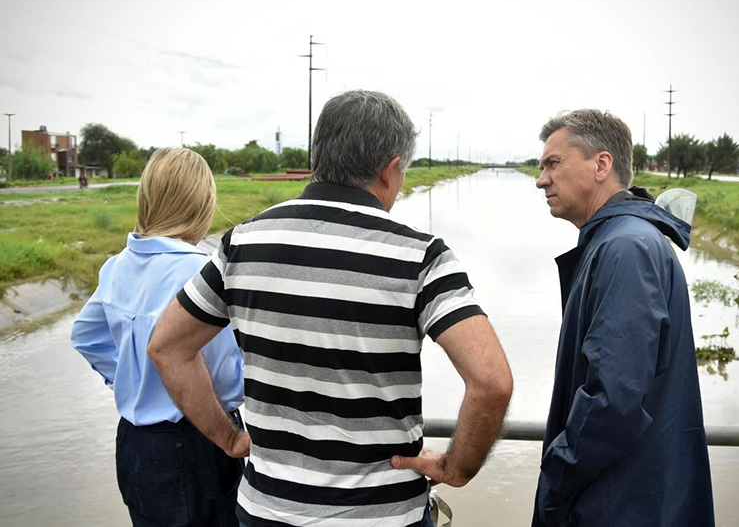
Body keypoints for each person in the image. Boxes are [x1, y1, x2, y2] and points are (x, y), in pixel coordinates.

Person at [147, 90, 514, 527]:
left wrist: (228, 438)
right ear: (392, 168)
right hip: (384, 516)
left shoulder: (242, 243)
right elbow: (491, 382)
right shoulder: (421, 256)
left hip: (267, 511)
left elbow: (167, 347)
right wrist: (456, 467)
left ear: (318, 155)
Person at [532, 109, 714, 526]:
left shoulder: (625, 248)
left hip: (621, 505)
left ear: (601, 165)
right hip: (634, 496)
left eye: (553, 164)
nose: (542, 179)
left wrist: (555, 479)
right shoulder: (620, 240)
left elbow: (613, 399)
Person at [71, 148, 244, 526]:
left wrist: (135, 377)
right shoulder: (201, 271)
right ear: (201, 203)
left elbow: (85, 336)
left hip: (135, 443)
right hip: (198, 441)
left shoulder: (117, 265)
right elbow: (226, 374)